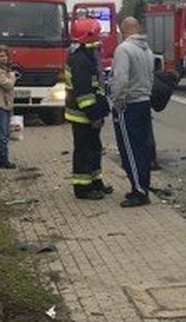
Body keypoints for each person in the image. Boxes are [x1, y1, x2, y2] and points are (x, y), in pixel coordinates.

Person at [64, 18, 112, 200]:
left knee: (94, 149)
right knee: (84, 151)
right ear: (88, 36)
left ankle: (95, 181)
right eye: (96, 33)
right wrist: (93, 115)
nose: (99, 36)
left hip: (89, 113)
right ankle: (83, 188)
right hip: (83, 115)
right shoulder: (80, 60)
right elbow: (83, 92)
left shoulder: (87, 55)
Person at [109, 17, 154, 208]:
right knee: (143, 148)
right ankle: (142, 185)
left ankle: (139, 192)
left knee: (129, 149)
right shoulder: (147, 50)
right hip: (144, 101)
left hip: (129, 105)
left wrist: (117, 101)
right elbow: (150, 76)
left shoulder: (124, 49)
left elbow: (120, 78)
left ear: (123, 30)